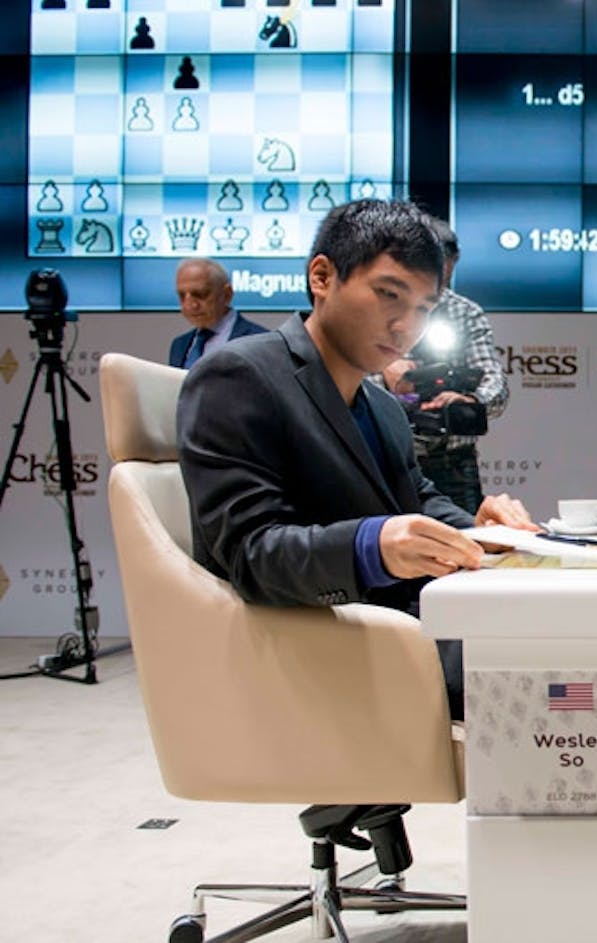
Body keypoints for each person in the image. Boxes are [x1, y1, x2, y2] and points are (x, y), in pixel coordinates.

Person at [176, 200, 536, 718]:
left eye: (423, 309)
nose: (404, 326)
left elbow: (418, 500)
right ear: (322, 276)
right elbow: (251, 556)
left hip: (399, 631)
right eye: (389, 295)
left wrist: (484, 535)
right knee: (556, 680)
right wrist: (373, 545)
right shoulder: (239, 376)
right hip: (323, 651)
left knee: (569, 645)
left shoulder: (384, 407)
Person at [378, 216, 508, 514]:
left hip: (452, 463)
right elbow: (347, 380)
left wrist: (469, 400)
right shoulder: (378, 308)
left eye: (444, 279)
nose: (437, 288)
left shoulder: (465, 313)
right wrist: (387, 375)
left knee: (467, 545)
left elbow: (495, 386)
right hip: (387, 455)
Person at [167, 257, 267, 368]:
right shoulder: (179, 345)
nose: (190, 305)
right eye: (182, 296)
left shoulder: (259, 341)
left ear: (227, 294)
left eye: (200, 294)